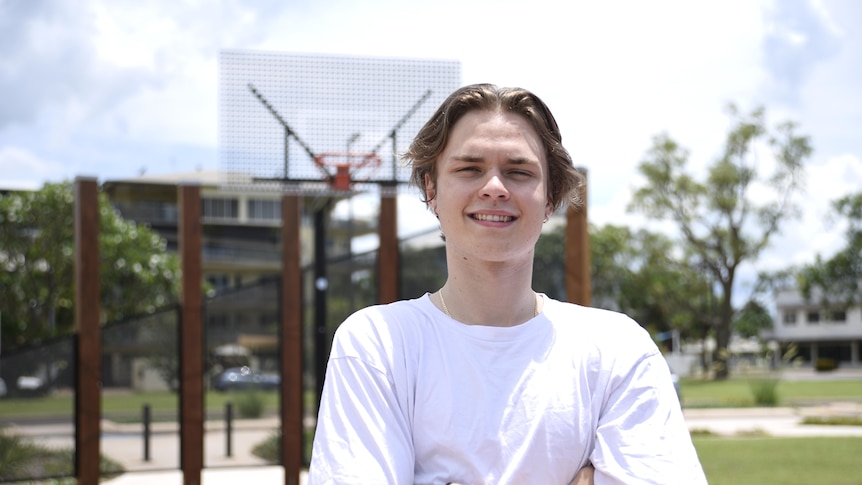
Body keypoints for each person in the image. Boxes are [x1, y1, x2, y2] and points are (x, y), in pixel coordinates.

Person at [308, 84, 707, 484]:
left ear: (550, 197)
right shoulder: (377, 344)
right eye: (469, 169)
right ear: (431, 189)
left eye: (518, 172)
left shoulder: (618, 348)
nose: (495, 187)